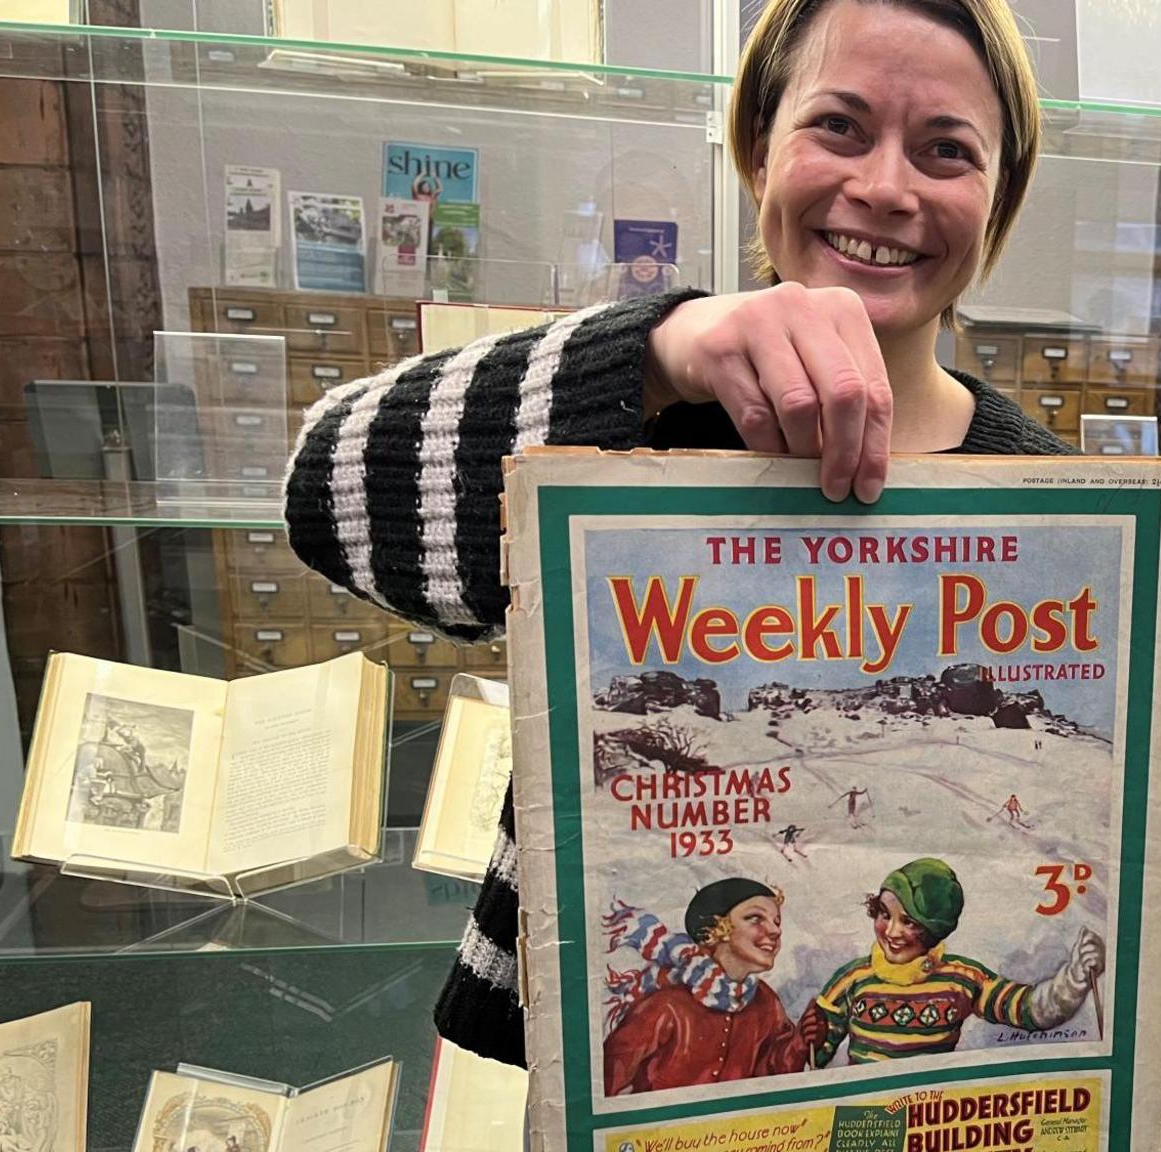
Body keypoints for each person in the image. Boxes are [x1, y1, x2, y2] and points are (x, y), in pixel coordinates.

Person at [282, 0, 1064, 1068]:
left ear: (999, 199)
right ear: (756, 146)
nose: (886, 186)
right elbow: (325, 496)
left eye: (946, 150)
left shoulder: (1050, 494)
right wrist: (658, 348)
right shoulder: (643, 417)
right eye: (836, 125)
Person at [807, 858, 1103, 1065]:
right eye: (885, 914)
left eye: (909, 922)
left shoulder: (961, 977)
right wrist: (809, 1038)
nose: (892, 932)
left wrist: (1074, 979)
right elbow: (812, 1058)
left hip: (933, 1116)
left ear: (935, 928)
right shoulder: (853, 978)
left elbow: (1028, 1009)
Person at [600, 879, 819, 1094]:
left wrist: (801, 1040)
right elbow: (608, 1084)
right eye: (755, 918)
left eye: (776, 922)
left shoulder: (765, 1001)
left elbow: (774, 1074)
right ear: (717, 929)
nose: (775, 931)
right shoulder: (667, 1005)